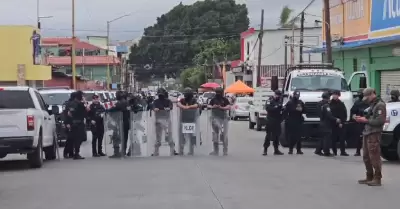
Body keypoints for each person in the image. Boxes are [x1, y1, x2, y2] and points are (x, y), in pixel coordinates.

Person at [355, 88, 386, 186]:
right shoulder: (372, 104)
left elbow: (380, 121)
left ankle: (377, 178)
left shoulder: (380, 105)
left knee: (374, 156)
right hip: (367, 132)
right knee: (366, 156)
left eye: (367, 96)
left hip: (374, 133)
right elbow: (370, 116)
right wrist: (362, 118)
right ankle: (369, 176)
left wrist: (365, 120)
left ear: (373, 94)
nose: (366, 99)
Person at [315, 91, 341, 157]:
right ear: (327, 97)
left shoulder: (319, 103)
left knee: (322, 137)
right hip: (326, 123)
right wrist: (336, 119)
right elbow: (329, 115)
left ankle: (318, 150)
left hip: (321, 122)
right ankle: (326, 152)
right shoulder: (326, 105)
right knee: (327, 138)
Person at [208, 87, 231, 156]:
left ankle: (225, 150)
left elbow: (229, 106)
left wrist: (222, 107)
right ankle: (215, 150)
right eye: (217, 92)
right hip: (215, 118)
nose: (218, 94)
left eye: (219, 92)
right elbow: (208, 105)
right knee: (215, 134)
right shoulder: (213, 99)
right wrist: (213, 107)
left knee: (224, 134)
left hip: (224, 118)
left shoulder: (225, 99)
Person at [152, 88, 175, 156]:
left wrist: (168, 108)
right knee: (158, 137)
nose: (160, 96)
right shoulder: (156, 101)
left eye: (161, 94)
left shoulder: (168, 101)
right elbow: (153, 107)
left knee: (168, 136)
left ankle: (172, 150)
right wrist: (154, 109)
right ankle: (156, 152)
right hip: (158, 120)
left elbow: (171, 106)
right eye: (159, 94)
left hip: (166, 120)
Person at [108, 91, 130, 158]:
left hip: (120, 122)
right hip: (126, 122)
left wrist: (107, 111)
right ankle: (123, 152)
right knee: (125, 137)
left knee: (116, 137)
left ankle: (117, 153)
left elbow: (112, 109)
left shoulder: (120, 103)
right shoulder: (126, 102)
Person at [177, 87, 199, 155]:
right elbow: (178, 103)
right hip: (183, 120)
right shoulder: (182, 100)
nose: (186, 95)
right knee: (182, 136)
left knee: (191, 136)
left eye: (187, 94)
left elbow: (196, 105)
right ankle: (181, 150)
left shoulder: (193, 100)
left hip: (191, 121)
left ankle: (191, 150)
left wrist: (189, 107)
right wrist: (183, 107)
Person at [263, 90, 284, 156]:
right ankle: (265, 150)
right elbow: (268, 109)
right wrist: (276, 107)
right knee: (268, 136)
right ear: (274, 94)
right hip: (270, 120)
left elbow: (281, 109)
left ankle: (276, 150)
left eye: (279, 95)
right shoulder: (270, 100)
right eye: (277, 95)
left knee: (277, 135)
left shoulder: (280, 101)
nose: (278, 96)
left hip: (277, 120)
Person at [283, 90, 305, 155]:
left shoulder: (300, 102)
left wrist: (302, 109)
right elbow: (286, 111)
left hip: (298, 120)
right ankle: (291, 149)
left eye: (298, 95)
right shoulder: (290, 103)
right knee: (291, 136)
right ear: (293, 95)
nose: (297, 96)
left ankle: (299, 149)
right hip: (291, 121)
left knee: (299, 136)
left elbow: (305, 110)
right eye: (296, 95)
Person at [67, 91, 87, 160]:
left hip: (73, 123)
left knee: (76, 139)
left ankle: (75, 153)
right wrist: (85, 102)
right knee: (80, 138)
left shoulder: (72, 103)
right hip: (79, 123)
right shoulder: (80, 104)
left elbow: (69, 113)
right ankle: (76, 153)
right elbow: (87, 110)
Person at [329, 90, 349, 156]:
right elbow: (329, 114)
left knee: (342, 138)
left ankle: (342, 151)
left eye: (336, 95)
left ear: (338, 95)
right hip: (332, 123)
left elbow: (344, 114)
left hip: (340, 123)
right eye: (333, 94)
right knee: (333, 138)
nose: (334, 96)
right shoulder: (330, 103)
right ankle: (334, 151)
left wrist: (342, 122)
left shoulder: (341, 104)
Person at [350, 89, 369, 156]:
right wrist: (353, 116)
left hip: (367, 121)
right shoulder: (357, 102)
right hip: (359, 122)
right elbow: (353, 111)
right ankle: (358, 151)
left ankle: (366, 151)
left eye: (360, 93)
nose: (359, 95)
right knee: (359, 137)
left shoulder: (368, 102)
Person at [62, 92, 76, 159]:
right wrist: (67, 123)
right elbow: (65, 115)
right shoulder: (68, 104)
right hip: (69, 123)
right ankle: (65, 152)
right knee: (69, 139)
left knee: (73, 139)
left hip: (74, 122)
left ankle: (71, 153)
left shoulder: (74, 103)